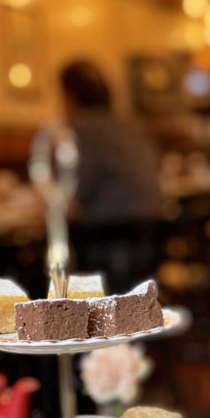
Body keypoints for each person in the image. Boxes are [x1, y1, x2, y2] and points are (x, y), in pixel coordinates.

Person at [58, 60, 162, 291]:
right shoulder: (130, 125)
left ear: (71, 96)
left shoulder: (82, 128)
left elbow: (79, 189)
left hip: (109, 236)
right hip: (149, 233)